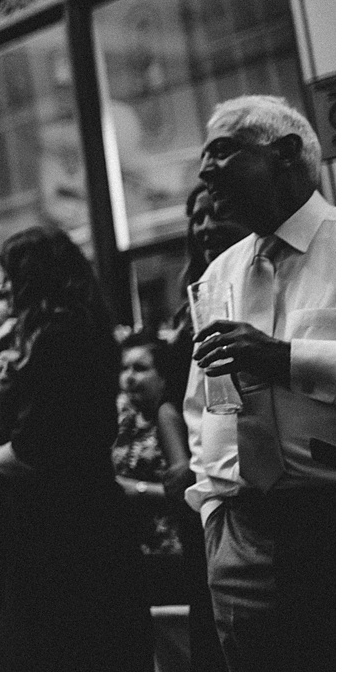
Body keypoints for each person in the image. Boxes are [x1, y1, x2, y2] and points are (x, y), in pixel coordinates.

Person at [184, 95, 334, 671]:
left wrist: (286, 359)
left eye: (222, 152)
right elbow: (204, 404)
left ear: (285, 154)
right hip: (241, 532)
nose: (204, 170)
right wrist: (214, 509)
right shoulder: (219, 274)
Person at [0, 225, 151, 670]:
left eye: (8, 276)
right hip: (66, 522)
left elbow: (33, 451)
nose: (1, 290)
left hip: (68, 531)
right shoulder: (53, 336)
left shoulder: (63, 338)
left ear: (34, 278)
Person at [165, 181, 244, 670]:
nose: (205, 226)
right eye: (196, 217)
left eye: (217, 212)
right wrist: (181, 462)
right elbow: (171, 400)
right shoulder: (193, 304)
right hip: (201, 480)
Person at [112, 331, 190, 610]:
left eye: (140, 368)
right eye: (124, 368)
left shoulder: (169, 417)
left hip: (168, 551)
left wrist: (137, 490)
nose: (129, 377)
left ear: (163, 376)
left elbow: (186, 490)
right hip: (133, 551)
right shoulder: (124, 422)